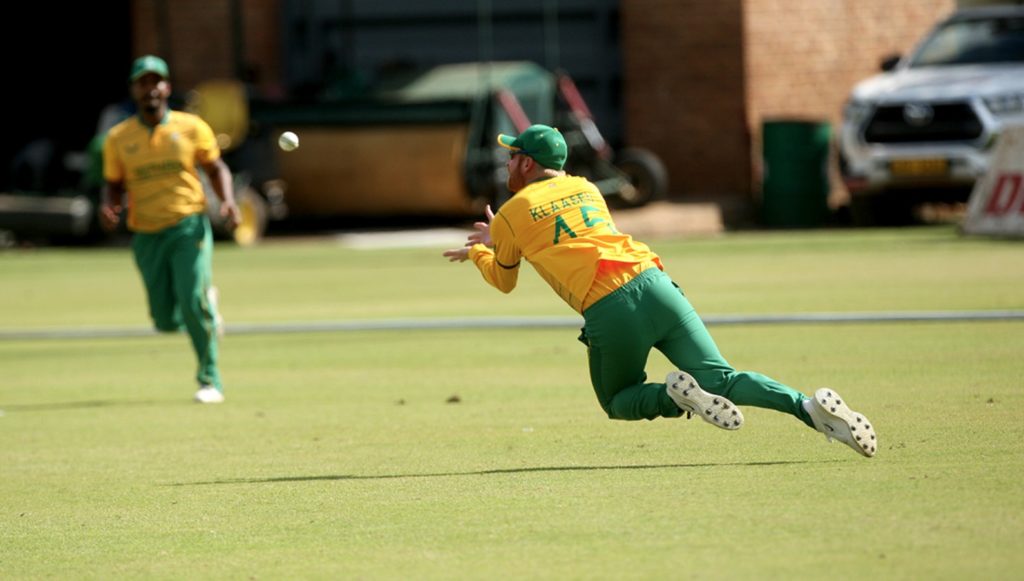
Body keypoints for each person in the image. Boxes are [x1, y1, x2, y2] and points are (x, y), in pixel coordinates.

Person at [443, 124, 877, 457]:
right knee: (722, 378)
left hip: (609, 307)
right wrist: (500, 238)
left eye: (511, 155)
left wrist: (484, 249)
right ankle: (808, 409)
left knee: (616, 400)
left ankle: (674, 397)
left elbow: (504, 280)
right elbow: (562, 229)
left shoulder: (510, 212)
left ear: (526, 164)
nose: (506, 163)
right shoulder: (587, 187)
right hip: (655, 283)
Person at [100, 55, 241, 404]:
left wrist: (228, 201)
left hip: (187, 226)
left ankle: (210, 379)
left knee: (191, 302)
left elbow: (215, 167)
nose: (150, 88)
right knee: (164, 320)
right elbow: (113, 183)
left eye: (156, 81)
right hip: (146, 233)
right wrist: (110, 204)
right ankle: (205, 309)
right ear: (134, 89)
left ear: (167, 87)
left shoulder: (191, 127)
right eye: (142, 82)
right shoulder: (119, 137)